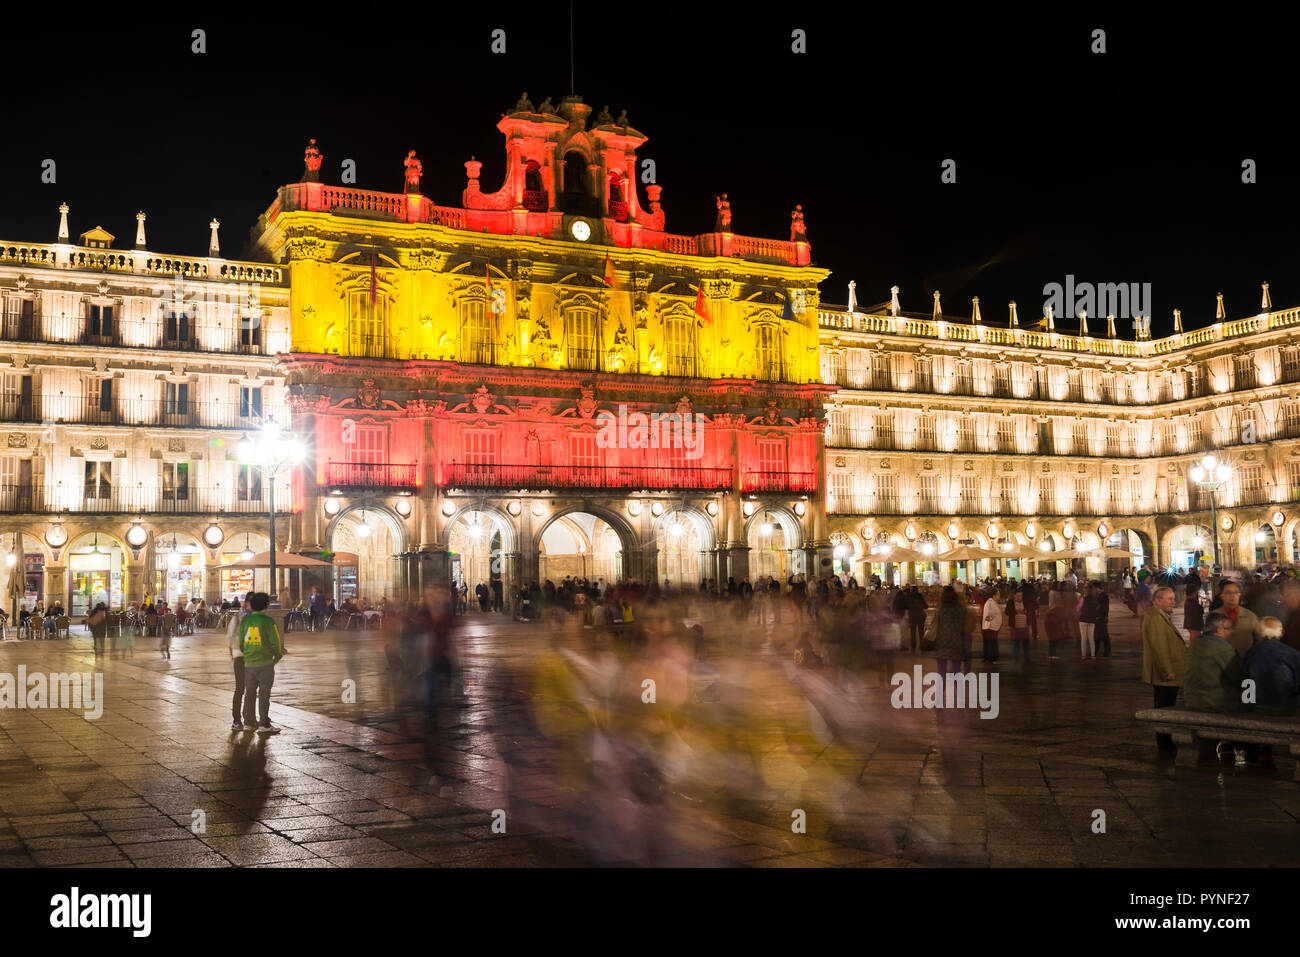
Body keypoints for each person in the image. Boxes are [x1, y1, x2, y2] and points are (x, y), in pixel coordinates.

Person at [1142, 585, 1188, 754]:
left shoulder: (1160, 615)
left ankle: (1165, 741)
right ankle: (1165, 743)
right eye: (1169, 599)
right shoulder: (1155, 618)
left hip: (1168, 672)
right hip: (1166, 675)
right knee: (1164, 709)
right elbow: (1159, 647)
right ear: (1157, 600)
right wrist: (1167, 671)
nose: (1173, 601)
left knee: (1164, 707)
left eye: (1173, 598)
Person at [238, 592, 284, 734]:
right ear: (266, 605)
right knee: (264, 694)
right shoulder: (268, 622)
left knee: (249, 693)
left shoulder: (245, 621)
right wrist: (276, 657)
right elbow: (276, 643)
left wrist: (248, 654)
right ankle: (263, 723)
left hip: (249, 663)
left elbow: (241, 642)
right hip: (265, 663)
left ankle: (248, 723)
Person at [1215, 580, 1262, 659]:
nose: (1233, 595)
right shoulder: (1214, 616)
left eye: (1236, 592)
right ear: (1221, 596)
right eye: (1228, 592)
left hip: (1244, 662)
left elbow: (1259, 639)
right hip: (1221, 663)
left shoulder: (1250, 616)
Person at [934, 586, 967, 678]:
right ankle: (960, 691)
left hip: (942, 642)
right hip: (956, 642)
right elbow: (964, 625)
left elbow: (935, 625)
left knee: (941, 671)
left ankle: (940, 691)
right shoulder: (961, 609)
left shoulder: (940, 609)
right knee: (957, 670)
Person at [227, 594, 249, 731]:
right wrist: (233, 654)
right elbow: (230, 637)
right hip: (240, 657)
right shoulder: (238, 618)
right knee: (240, 688)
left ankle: (249, 718)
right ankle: (236, 719)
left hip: (252, 657)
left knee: (251, 689)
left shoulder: (254, 618)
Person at [1078, 582, 1101, 660]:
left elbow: (1077, 608)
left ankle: (1083, 656)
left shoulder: (1083, 599)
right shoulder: (1095, 599)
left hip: (1083, 619)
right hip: (1092, 620)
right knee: (1091, 638)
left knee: (1084, 638)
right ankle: (1093, 655)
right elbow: (1098, 608)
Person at [980, 587, 1002, 662]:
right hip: (990, 627)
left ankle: (990, 657)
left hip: (992, 626)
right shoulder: (990, 602)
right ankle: (992, 657)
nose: (999, 596)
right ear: (994, 595)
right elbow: (988, 615)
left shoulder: (992, 602)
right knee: (991, 642)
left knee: (991, 642)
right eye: (998, 595)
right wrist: (991, 619)